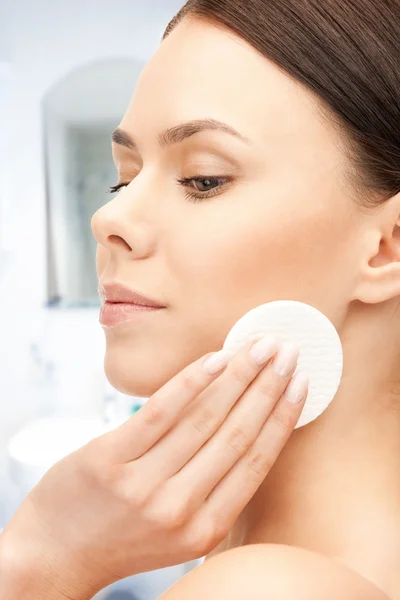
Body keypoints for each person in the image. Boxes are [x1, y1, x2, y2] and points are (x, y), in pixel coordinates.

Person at [1, 0, 400, 598]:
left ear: (386, 247)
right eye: (125, 177)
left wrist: (43, 554)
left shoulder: (265, 588)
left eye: (203, 179)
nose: (109, 216)